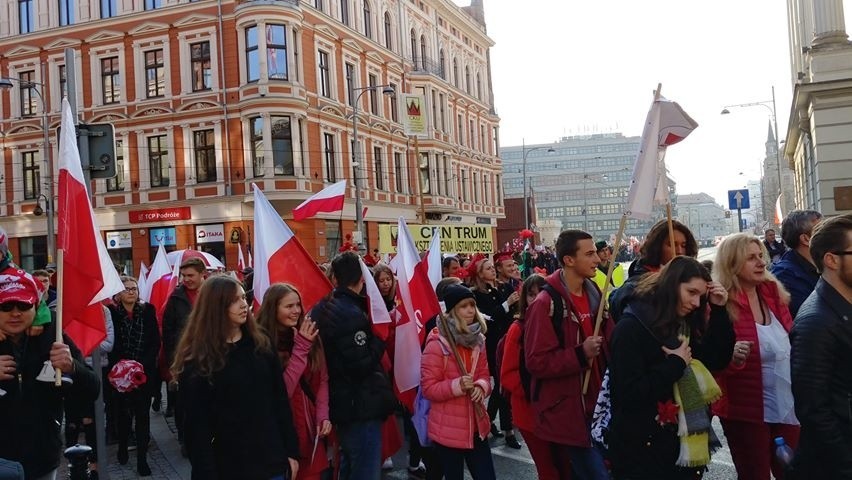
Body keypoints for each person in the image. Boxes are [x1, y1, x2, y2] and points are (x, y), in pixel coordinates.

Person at [608, 257, 734, 479]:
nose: (696, 303)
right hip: (642, 453)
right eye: (691, 292)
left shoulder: (682, 324)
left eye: (701, 296)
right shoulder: (631, 328)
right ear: (672, 284)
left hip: (677, 449)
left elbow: (715, 359)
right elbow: (627, 394)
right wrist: (674, 365)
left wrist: (719, 311)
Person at [171, 275, 299, 480]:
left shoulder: (262, 344)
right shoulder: (198, 359)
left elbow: (280, 402)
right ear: (216, 306)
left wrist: (291, 452)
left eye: (243, 298)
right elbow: (196, 426)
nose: (243, 305)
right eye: (234, 300)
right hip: (227, 466)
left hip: (271, 461)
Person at [523, 230, 612, 479]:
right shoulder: (545, 303)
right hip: (571, 412)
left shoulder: (596, 294)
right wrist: (580, 354)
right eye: (590, 254)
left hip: (600, 407)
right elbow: (536, 362)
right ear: (568, 260)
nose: (597, 259)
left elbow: (612, 341)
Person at [712, 234, 799, 480]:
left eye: (761, 255)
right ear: (731, 264)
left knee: (792, 472)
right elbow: (711, 364)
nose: (761, 262)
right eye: (751, 258)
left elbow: (792, 342)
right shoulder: (719, 304)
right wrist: (731, 360)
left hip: (788, 406)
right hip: (747, 413)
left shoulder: (774, 293)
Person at [0, 268, 101, 480]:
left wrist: (72, 367)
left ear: (36, 306)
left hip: (42, 457)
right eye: (6, 306)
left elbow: (93, 389)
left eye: (24, 305)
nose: (16, 313)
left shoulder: (52, 333)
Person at [310, 251, 396, 480]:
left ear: (335, 278)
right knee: (364, 469)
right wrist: (379, 337)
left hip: (343, 402)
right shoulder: (350, 313)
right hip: (359, 405)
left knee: (349, 464)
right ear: (361, 279)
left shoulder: (323, 306)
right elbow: (362, 364)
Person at [790, 213, 852, 478]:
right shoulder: (816, 321)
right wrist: (846, 464)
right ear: (831, 260)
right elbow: (813, 410)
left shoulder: (841, 306)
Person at [257, 284, 332, 480]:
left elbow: (322, 379)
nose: (296, 311)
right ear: (273, 308)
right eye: (289, 306)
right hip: (282, 430)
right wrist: (301, 349)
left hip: (308, 429)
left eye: (298, 304)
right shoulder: (261, 344)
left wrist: (323, 415)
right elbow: (284, 391)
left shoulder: (308, 333)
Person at [421, 284, 495, 480]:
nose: (470, 310)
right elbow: (428, 388)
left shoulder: (479, 339)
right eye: (463, 306)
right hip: (448, 431)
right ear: (453, 310)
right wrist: (457, 386)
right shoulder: (438, 344)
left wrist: (481, 386)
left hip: (477, 426)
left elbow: (484, 375)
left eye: (472, 305)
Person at [500, 274, 566, 479]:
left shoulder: (561, 325)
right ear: (524, 299)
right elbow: (507, 374)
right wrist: (536, 389)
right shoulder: (517, 329)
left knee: (566, 467)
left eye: (542, 293)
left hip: (559, 411)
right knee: (548, 470)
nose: (537, 299)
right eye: (531, 294)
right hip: (531, 414)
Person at [107, 276, 161, 476]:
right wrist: (123, 367)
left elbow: (154, 340)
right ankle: (122, 445)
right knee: (122, 415)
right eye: (126, 289)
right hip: (119, 372)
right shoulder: (111, 313)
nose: (131, 292)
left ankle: (142, 459)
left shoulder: (148, 311)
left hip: (143, 372)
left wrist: (140, 366)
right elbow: (111, 342)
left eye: (134, 288)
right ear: (118, 294)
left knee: (142, 416)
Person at [469, 257, 520, 448]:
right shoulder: (476, 294)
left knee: (502, 385)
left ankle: (488, 420)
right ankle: (507, 431)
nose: (492, 271)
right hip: (491, 344)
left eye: (492, 267)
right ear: (480, 274)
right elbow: (489, 319)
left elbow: (506, 314)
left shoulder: (497, 289)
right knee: (502, 384)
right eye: (488, 269)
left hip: (506, 341)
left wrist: (513, 310)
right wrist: (507, 304)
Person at [610, 220, 699, 323]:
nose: (679, 251)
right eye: (672, 245)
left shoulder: (689, 279)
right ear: (657, 246)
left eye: (683, 245)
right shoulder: (637, 285)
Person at [163, 257, 206, 432]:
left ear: (203, 274)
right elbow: (168, 331)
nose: (186, 279)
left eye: (190, 275)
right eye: (184, 275)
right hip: (185, 357)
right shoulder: (175, 297)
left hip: (209, 355)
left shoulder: (212, 293)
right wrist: (172, 361)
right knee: (184, 401)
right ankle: (184, 436)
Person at [770, 210, 822, 318]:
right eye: (823, 231)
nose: (831, 235)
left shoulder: (824, 264)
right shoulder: (785, 276)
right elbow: (814, 316)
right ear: (806, 239)